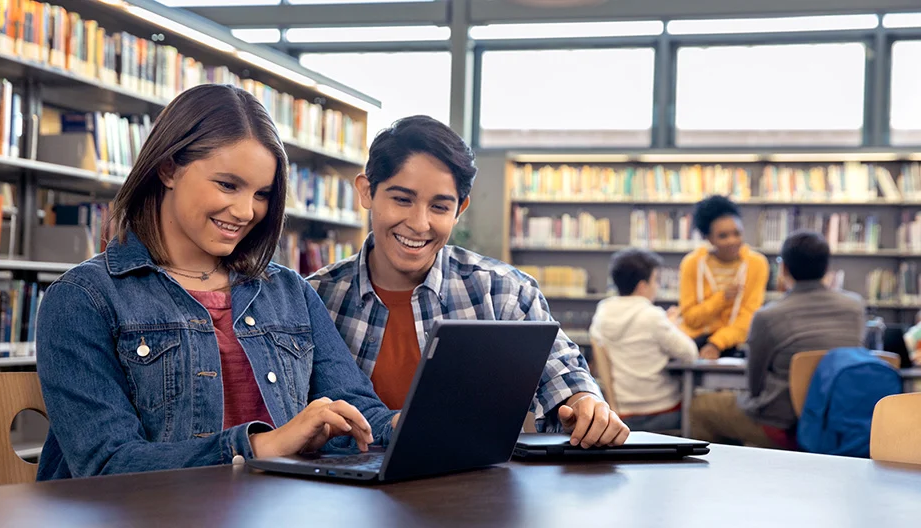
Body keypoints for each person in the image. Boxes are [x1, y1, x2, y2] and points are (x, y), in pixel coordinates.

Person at [35, 84, 397, 480]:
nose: (245, 211)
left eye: (261, 194)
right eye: (228, 185)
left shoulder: (290, 292)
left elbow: (362, 417)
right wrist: (263, 447)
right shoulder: (83, 299)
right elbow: (107, 464)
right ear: (168, 168)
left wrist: (403, 426)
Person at [308, 115, 628, 448]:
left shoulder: (504, 291)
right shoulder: (314, 297)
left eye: (440, 207)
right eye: (402, 199)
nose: (420, 224)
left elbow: (564, 374)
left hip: (472, 492)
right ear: (366, 191)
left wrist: (584, 404)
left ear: (460, 209)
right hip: (346, 494)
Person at [690, 230, 865, 448]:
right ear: (827, 268)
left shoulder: (768, 316)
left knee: (700, 407)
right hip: (836, 420)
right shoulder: (855, 307)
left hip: (783, 426)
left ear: (784, 269)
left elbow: (754, 385)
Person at [589, 248, 698, 432]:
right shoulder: (652, 316)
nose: (657, 286)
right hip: (661, 411)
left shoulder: (603, 311)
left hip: (620, 412)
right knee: (698, 407)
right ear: (642, 286)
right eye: (656, 280)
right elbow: (690, 353)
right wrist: (672, 325)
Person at [677, 196, 769, 359]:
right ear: (708, 238)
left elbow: (749, 317)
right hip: (694, 342)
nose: (732, 241)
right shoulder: (691, 264)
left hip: (736, 344)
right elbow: (690, 318)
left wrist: (716, 343)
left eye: (737, 233)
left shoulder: (757, 264)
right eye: (723, 236)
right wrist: (722, 299)